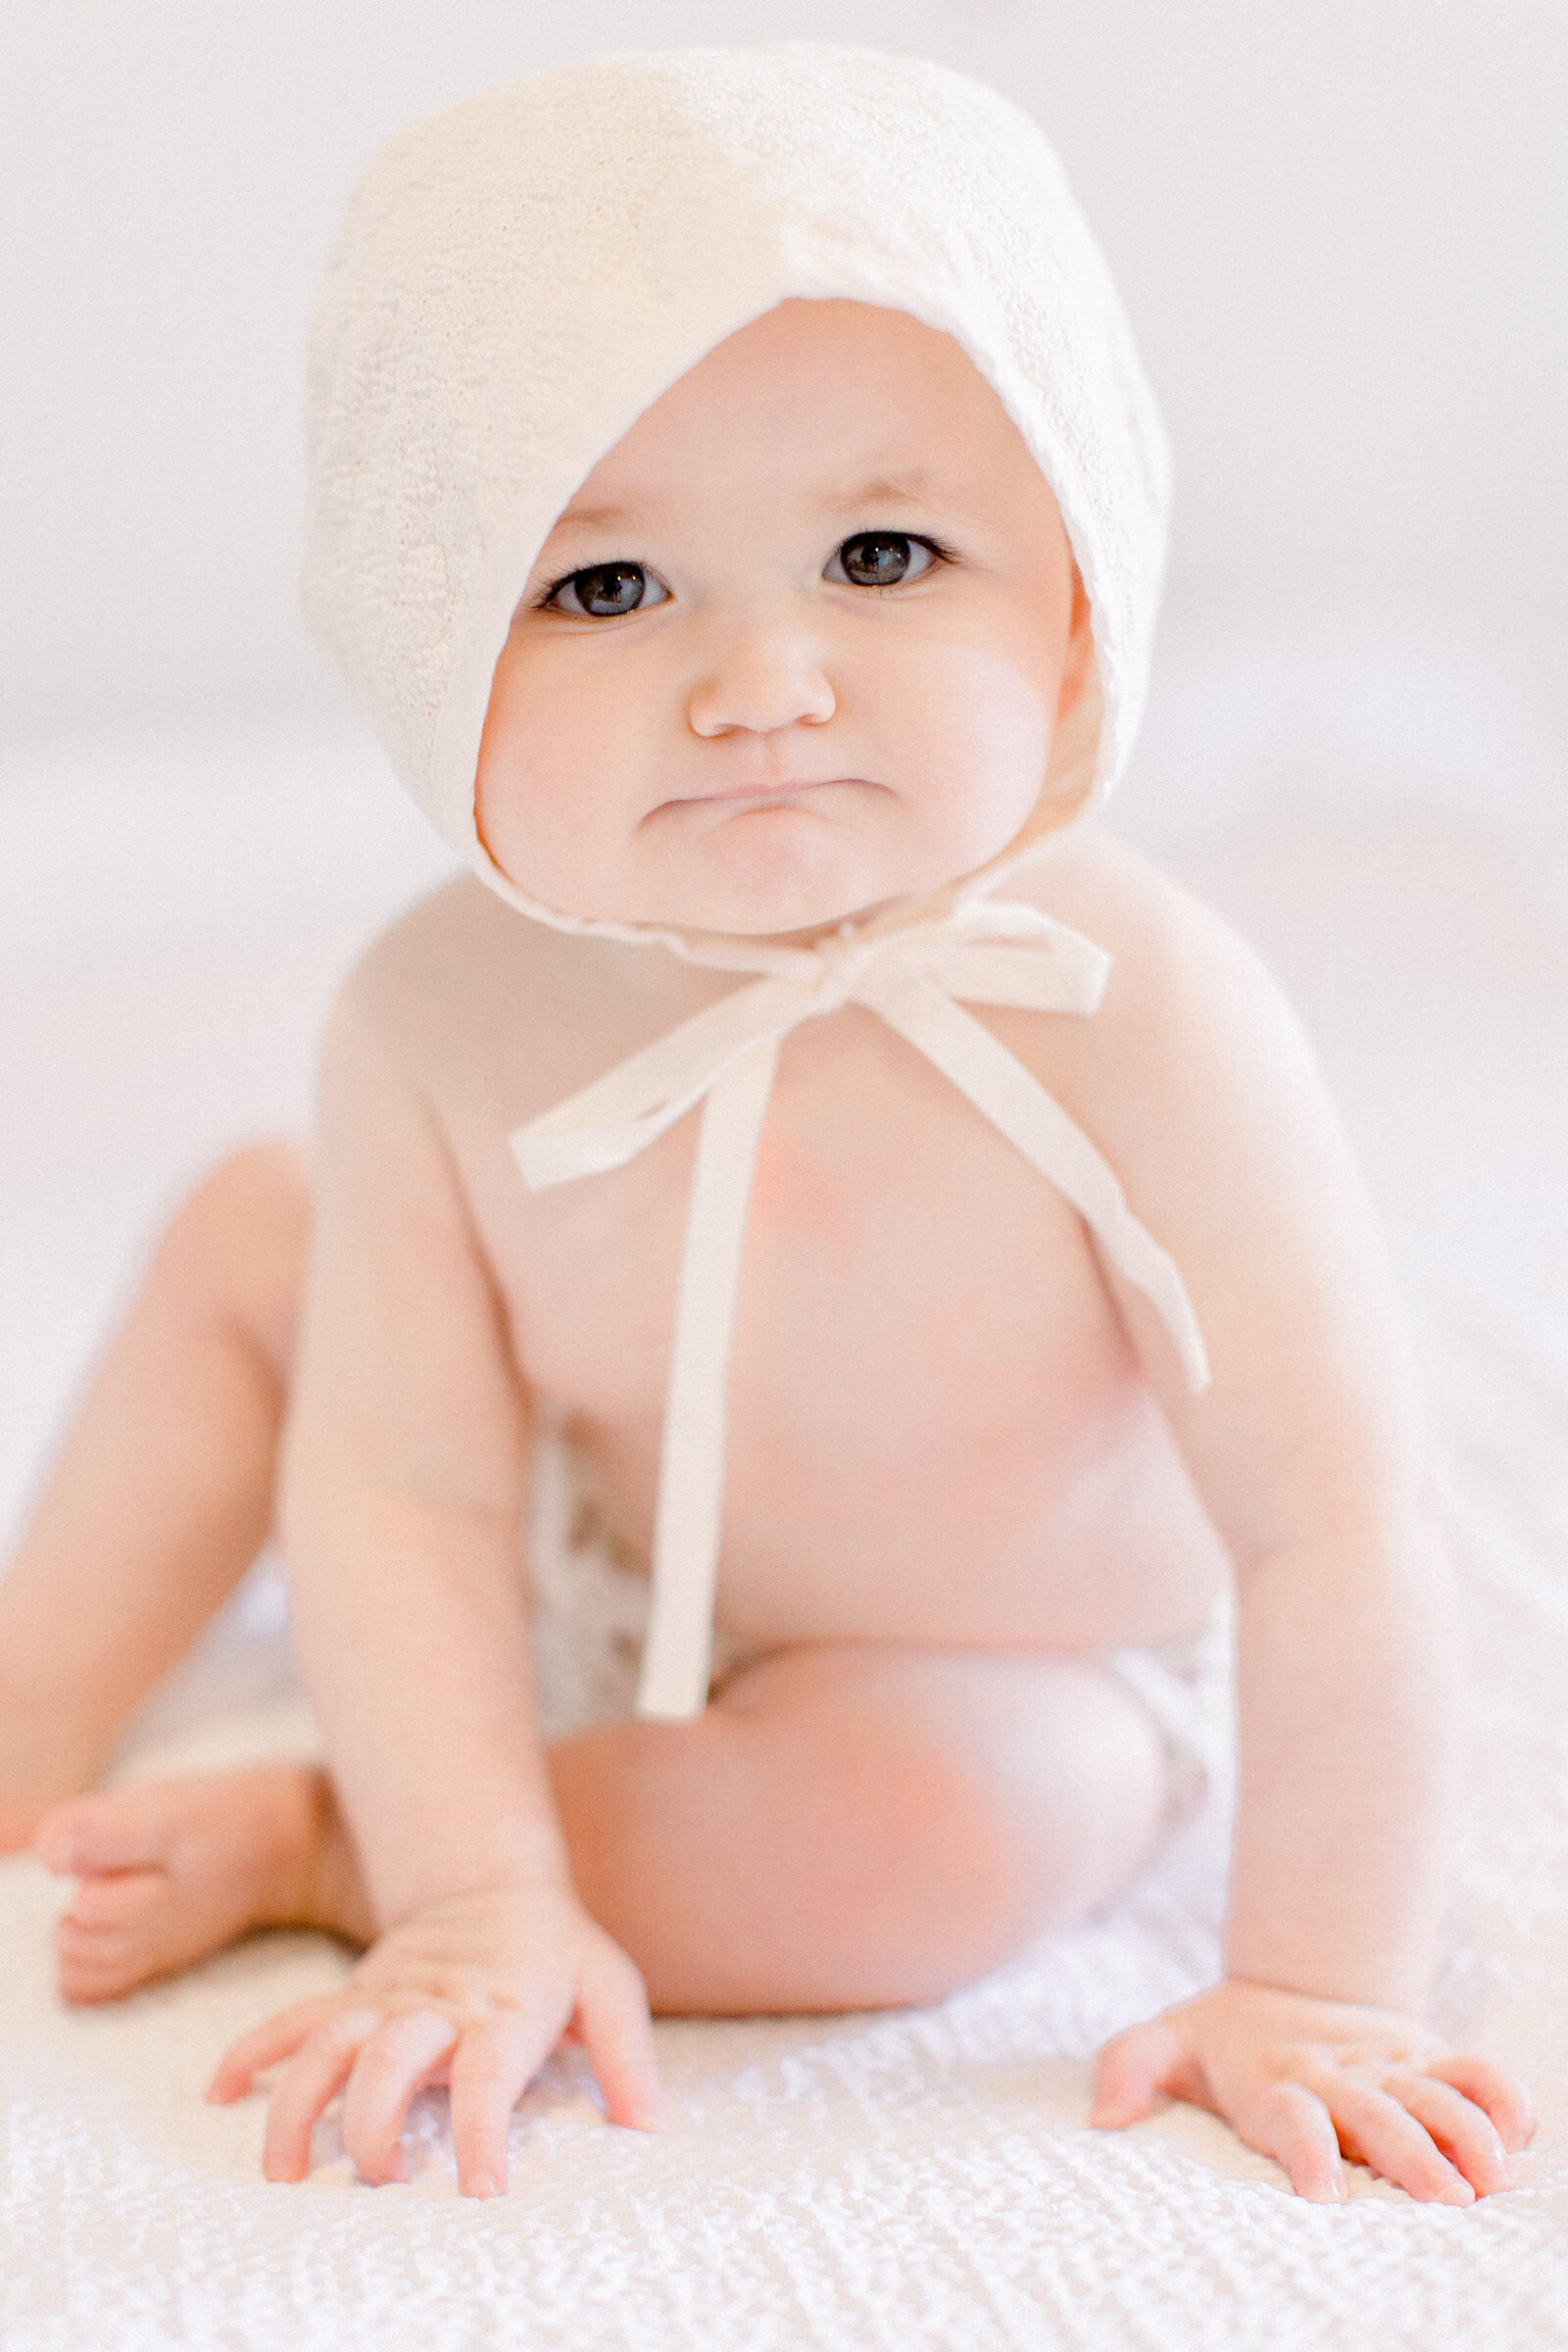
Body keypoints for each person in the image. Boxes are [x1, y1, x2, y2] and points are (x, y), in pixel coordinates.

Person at [0, 47, 1533, 2205]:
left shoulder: (1134, 1008)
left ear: (1076, 605)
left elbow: (1329, 1520)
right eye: (606, 590)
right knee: (257, 1228)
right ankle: (37, 1711)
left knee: (925, 1847)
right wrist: (488, 1884)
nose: (762, 687)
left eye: (881, 553)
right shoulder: (435, 1013)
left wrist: (1313, 1981)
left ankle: (327, 1835)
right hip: (582, 1543)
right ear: (427, 643)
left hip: (1007, 1659)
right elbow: (406, 1490)